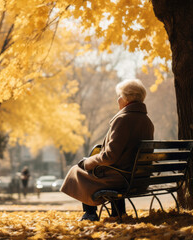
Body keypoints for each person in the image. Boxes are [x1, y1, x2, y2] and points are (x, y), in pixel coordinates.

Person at [60, 79, 154, 221]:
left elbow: (110, 156)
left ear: (127, 98)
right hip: (138, 178)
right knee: (110, 168)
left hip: (121, 179)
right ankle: (117, 213)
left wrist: (88, 162)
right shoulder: (147, 121)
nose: (118, 100)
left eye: (120, 96)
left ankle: (90, 214)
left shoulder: (123, 119)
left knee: (78, 170)